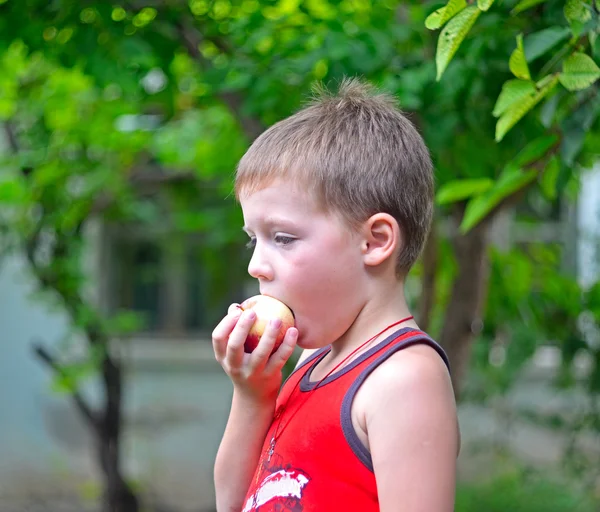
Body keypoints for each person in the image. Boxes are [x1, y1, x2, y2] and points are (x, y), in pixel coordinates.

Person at [212, 78, 459, 512]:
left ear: (375, 241)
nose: (256, 266)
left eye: (283, 238)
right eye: (255, 240)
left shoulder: (402, 380)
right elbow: (231, 502)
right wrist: (253, 393)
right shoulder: (312, 361)